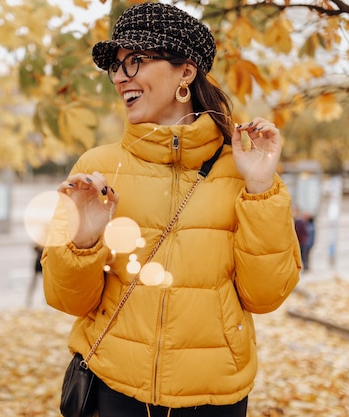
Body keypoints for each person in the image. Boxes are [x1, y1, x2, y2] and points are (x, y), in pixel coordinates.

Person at [42, 3, 301, 416]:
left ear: (186, 71)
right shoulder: (97, 169)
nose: (121, 78)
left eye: (136, 61)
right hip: (112, 392)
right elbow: (65, 299)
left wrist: (260, 187)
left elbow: (266, 296)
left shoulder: (244, 169)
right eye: (118, 66)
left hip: (213, 399)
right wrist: (84, 240)